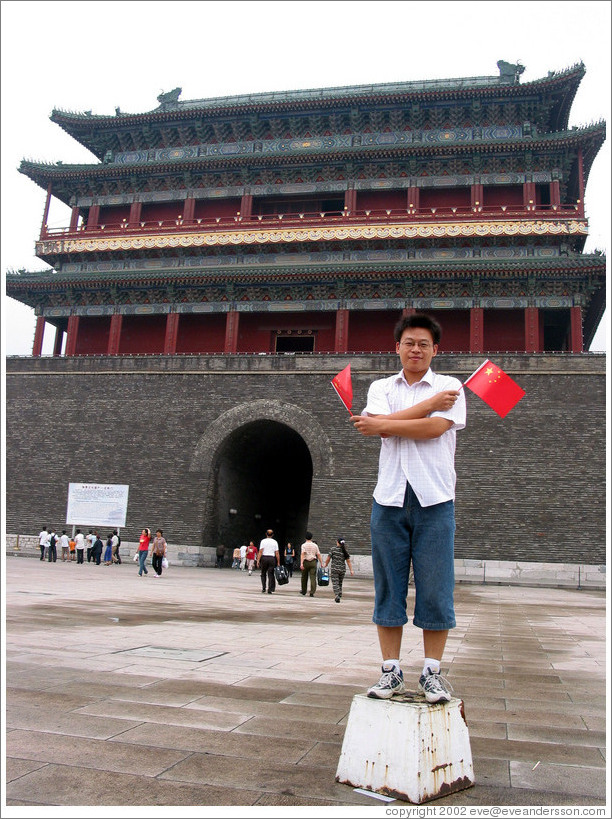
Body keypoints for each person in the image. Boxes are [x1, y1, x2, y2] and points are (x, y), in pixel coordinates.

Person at [351, 313, 466, 704]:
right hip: (389, 499)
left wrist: (389, 422)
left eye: (423, 344)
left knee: (436, 587)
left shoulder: (450, 386)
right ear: (397, 347)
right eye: (409, 343)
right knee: (389, 588)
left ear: (436, 349)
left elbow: (434, 429)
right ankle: (391, 671)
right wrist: (424, 409)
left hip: (435, 499)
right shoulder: (382, 386)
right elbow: (381, 425)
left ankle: (432, 672)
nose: (415, 349)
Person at [323, 538, 354, 603]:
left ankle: (337, 595)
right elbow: (348, 561)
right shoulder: (345, 551)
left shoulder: (333, 549)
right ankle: (339, 594)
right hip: (342, 569)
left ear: (337, 542)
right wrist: (351, 570)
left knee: (335, 583)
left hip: (334, 569)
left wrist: (325, 564)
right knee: (340, 582)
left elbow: (328, 558)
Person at [300, 532, 324, 597]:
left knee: (304, 577)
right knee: (313, 577)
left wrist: (301, 563)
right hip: (313, 562)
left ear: (305, 537)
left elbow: (303, 554)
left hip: (305, 561)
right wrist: (321, 563)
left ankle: (303, 591)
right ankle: (312, 592)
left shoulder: (303, 545)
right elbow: (318, 554)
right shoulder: (315, 545)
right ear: (311, 537)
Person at [257, 529, 280, 594]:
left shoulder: (263, 541)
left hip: (264, 558)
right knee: (271, 574)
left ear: (266, 534)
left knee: (263, 573)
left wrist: (258, 560)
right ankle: (270, 589)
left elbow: (260, 551)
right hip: (271, 558)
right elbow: (277, 553)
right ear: (272, 535)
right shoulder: (275, 542)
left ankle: (263, 587)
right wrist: (278, 562)